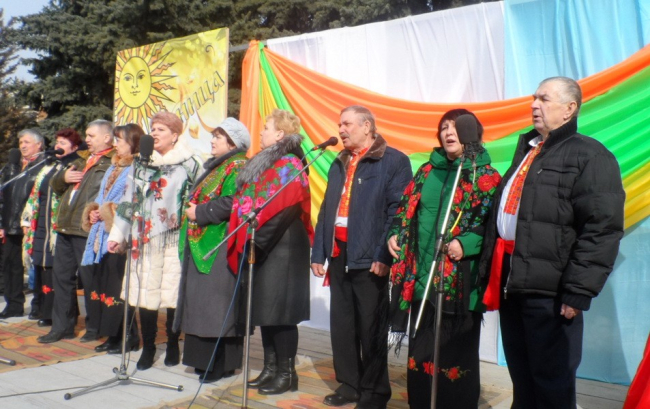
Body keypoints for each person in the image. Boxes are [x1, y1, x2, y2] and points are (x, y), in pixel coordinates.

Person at [478, 77, 625, 408]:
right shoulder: (530, 150)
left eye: (544, 99)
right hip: (514, 281)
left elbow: (601, 229)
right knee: (522, 376)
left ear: (569, 109)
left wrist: (578, 291)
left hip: (552, 291)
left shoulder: (590, 156)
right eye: (534, 98)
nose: (534, 105)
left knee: (552, 382)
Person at [387, 109, 501, 408]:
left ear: (473, 134)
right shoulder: (427, 171)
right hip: (420, 278)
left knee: (455, 356)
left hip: (459, 282)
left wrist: (467, 243)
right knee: (420, 355)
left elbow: (493, 226)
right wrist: (396, 233)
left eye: (457, 127)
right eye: (444, 127)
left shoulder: (485, 176)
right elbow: (405, 210)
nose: (449, 133)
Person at [311, 105, 412, 408]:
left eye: (347, 124)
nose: (341, 130)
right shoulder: (339, 161)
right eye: (339, 125)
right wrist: (319, 252)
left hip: (371, 257)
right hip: (339, 254)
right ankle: (349, 385)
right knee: (342, 325)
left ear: (367, 126)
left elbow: (398, 212)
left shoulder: (392, 160)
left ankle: (375, 392)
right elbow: (326, 210)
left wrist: (384, 255)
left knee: (371, 327)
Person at [107, 111, 202, 370]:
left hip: (174, 238)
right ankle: (148, 347)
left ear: (175, 135)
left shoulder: (191, 164)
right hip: (144, 238)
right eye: (153, 128)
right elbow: (128, 199)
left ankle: (172, 343)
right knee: (144, 294)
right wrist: (117, 235)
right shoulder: (140, 163)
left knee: (172, 294)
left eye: (161, 129)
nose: (155, 133)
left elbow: (200, 198)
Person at [228, 109, 312, 395]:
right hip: (266, 244)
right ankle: (270, 368)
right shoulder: (267, 162)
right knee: (266, 309)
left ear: (280, 134)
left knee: (282, 313)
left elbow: (284, 209)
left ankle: (287, 374)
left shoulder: (290, 163)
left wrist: (258, 242)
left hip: (283, 245)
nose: (261, 132)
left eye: (266, 127)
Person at [174, 117, 250, 382]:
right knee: (202, 304)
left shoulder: (238, 165)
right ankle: (203, 362)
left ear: (233, 142)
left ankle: (218, 364)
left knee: (215, 306)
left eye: (218, 136)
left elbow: (233, 201)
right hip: (204, 242)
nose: (213, 140)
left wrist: (200, 212)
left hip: (219, 244)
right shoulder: (219, 165)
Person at [38, 119, 115, 344]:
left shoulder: (112, 162)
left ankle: (94, 326)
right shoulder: (81, 159)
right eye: (87, 135)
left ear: (106, 138)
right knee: (61, 278)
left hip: (87, 228)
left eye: (91, 136)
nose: (86, 139)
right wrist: (63, 177)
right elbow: (55, 186)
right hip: (65, 226)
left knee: (90, 280)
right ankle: (62, 327)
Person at [81, 124, 143, 353]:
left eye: (120, 140)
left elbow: (133, 202)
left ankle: (128, 337)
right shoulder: (112, 168)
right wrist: (94, 212)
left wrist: (106, 211)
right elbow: (101, 198)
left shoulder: (138, 168)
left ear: (133, 143)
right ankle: (113, 335)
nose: (116, 144)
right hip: (103, 235)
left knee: (119, 289)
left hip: (122, 237)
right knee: (107, 288)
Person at [22, 129, 82, 327]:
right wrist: (27, 220)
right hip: (42, 223)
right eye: (57, 142)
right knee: (42, 266)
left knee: (57, 270)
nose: (58, 146)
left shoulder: (75, 165)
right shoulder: (50, 165)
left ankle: (63, 313)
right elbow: (35, 193)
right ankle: (45, 310)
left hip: (58, 225)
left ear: (74, 147)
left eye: (63, 143)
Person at [0, 129, 45, 318]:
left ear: (39, 145)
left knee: (36, 267)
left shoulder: (43, 166)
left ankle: (39, 305)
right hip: (11, 224)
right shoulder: (14, 167)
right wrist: (2, 223)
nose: (23, 146)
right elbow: (4, 196)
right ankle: (13, 305)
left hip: (31, 225)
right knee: (10, 265)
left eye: (27, 142)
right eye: (20, 143)